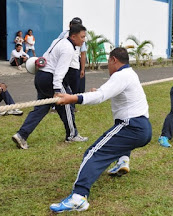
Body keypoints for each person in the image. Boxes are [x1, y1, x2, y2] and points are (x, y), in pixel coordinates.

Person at [49, 47, 152, 213]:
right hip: (143, 127)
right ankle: (123, 161)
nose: (108, 67)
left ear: (113, 60)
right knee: (118, 140)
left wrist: (72, 98)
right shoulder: (130, 73)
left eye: (108, 62)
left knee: (93, 153)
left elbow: (101, 97)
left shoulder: (121, 75)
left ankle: (78, 198)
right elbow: (109, 92)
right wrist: (98, 92)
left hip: (132, 126)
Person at [12, 24, 88, 150]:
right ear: (73, 36)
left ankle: (21, 135)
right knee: (68, 103)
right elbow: (60, 71)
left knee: (41, 109)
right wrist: (58, 90)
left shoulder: (57, 40)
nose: (84, 40)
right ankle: (72, 135)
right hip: (51, 79)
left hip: (40, 76)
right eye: (82, 37)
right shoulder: (69, 48)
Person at [58, 17, 87, 95]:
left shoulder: (81, 37)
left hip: (74, 65)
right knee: (62, 84)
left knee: (75, 87)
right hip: (64, 63)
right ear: (70, 25)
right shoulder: (64, 34)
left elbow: (83, 53)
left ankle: (72, 104)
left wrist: (82, 69)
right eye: (74, 25)